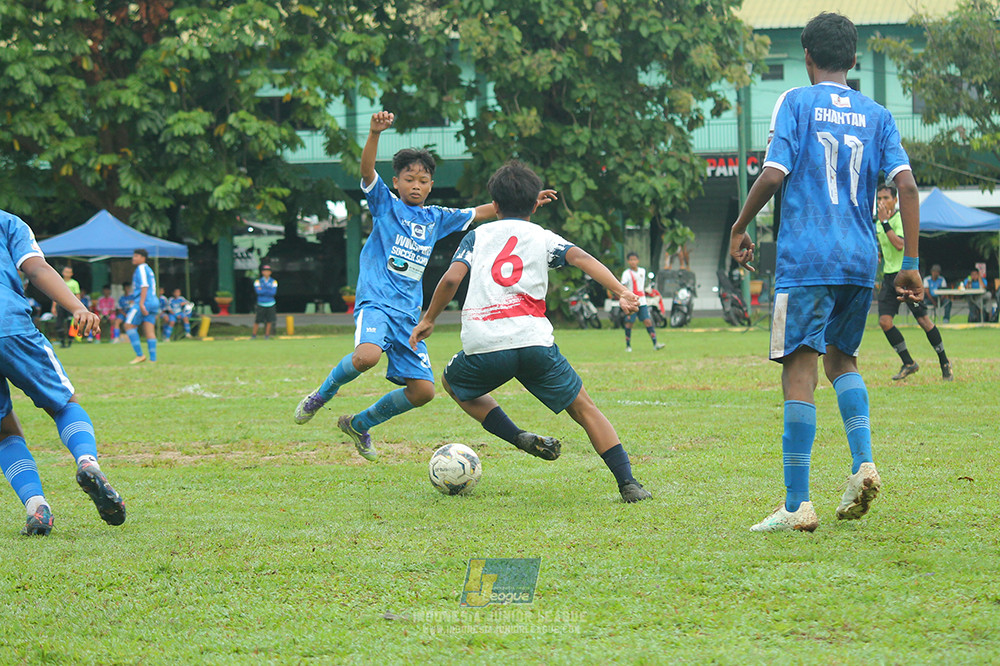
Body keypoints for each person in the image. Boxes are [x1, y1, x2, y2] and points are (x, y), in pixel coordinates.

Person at [729, 12, 925, 532]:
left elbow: (774, 173)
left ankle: (797, 506)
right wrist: (910, 264)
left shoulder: (795, 102)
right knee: (843, 359)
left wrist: (740, 225)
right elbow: (906, 187)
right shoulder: (878, 114)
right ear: (855, 60)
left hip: (808, 257)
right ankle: (863, 463)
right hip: (860, 260)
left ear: (808, 58)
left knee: (800, 369)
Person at [293, 110, 556, 460]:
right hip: (377, 302)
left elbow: (480, 212)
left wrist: (523, 203)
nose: (416, 185)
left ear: (431, 185)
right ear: (397, 182)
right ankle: (322, 395)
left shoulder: (435, 218)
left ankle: (359, 424)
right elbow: (367, 172)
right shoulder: (385, 205)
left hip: (409, 315)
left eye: (423, 180)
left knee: (423, 392)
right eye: (409, 179)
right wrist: (374, 134)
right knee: (367, 356)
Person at [410, 161, 651, 502]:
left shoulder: (477, 236)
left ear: (494, 206)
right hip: (534, 343)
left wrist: (429, 319)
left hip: (485, 345)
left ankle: (517, 436)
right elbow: (581, 257)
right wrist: (621, 291)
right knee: (585, 409)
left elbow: (450, 279)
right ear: (536, 204)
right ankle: (629, 484)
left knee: (453, 383)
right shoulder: (543, 236)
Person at [1, 209, 126, 535]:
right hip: (8, 323)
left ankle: (36, 506)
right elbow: (37, 268)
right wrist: (78, 307)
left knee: (3, 430)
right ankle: (87, 463)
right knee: (63, 403)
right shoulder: (8, 222)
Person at [875, 184, 953, 381]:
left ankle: (945, 362)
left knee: (923, 321)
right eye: (879, 198)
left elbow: (900, 244)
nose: (881, 202)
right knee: (884, 322)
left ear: (895, 200)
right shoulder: (877, 223)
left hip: (906, 277)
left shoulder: (900, 219)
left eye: (885, 198)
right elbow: (884, 249)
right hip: (889, 278)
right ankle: (909, 363)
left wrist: (886, 224)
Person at [619, 252, 665, 352]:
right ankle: (628, 345)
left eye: (634, 260)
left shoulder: (642, 271)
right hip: (632, 301)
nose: (633, 262)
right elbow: (623, 286)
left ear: (638, 261)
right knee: (629, 323)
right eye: (631, 260)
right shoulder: (626, 273)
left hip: (642, 301)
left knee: (647, 321)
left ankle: (655, 343)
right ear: (628, 261)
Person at [123, 248, 159, 364]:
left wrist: (142, 303)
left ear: (143, 258)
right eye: (133, 256)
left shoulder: (142, 268)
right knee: (149, 329)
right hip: (153, 301)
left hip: (144, 301)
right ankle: (153, 359)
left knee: (128, 325)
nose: (134, 258)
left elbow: (144, 286)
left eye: (136, 256)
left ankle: (140, 355)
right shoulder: (149, 269)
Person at [51, 265, 81, 348]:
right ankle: (62, 342)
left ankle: (70, 342)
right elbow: (55, 295)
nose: (67, 274)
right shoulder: (59, 281)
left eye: (69, 272)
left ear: (72, 274)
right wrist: (53, 307)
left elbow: (77, 295)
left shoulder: (74, 283)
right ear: (63, 272)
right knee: (59, 324)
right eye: (66, 272)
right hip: (60, 305)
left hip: (70, 305)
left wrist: (78, 307)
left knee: (70, 324)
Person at [252, 265, 277, 340]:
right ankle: (253, 335)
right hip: (261, 303)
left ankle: (267, 335)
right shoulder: (258, 281)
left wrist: (263, 289)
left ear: (270, 272)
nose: (266, 272)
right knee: (257, 320)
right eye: (265, 271)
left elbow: (273, 292)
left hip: (271, 303)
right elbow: (258, 292)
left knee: (269, 320)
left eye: (268, 271)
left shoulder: (273, 281)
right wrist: (267, 289)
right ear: (262, 272)